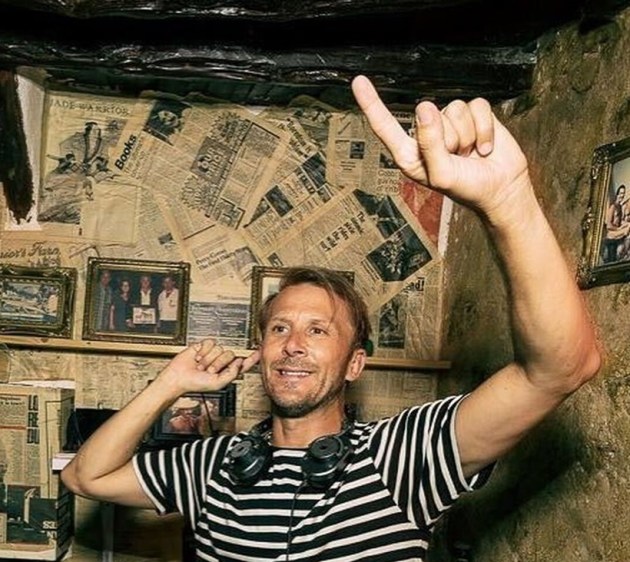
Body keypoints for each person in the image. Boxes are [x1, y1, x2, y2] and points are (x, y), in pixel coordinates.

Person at [60, 75, 601, 561]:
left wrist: (508, 201)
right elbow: (86, 477)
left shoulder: (401, 455)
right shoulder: (215, 464)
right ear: (261, 350)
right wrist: (170, 383)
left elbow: (560, 368)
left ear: (354, 364)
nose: (293, 344)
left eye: (318, 330)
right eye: (280, 328)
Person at [603, 183, 630, 263]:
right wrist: (618, 229)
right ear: (617, 194)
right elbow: (608, 226)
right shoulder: (613, 207)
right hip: (612, 234)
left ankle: (625, 254)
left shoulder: (620, 207)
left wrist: (623, 225)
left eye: (623, 193)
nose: (622, 195)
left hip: (617, 231)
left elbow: (619, 221)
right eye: (621, 193)